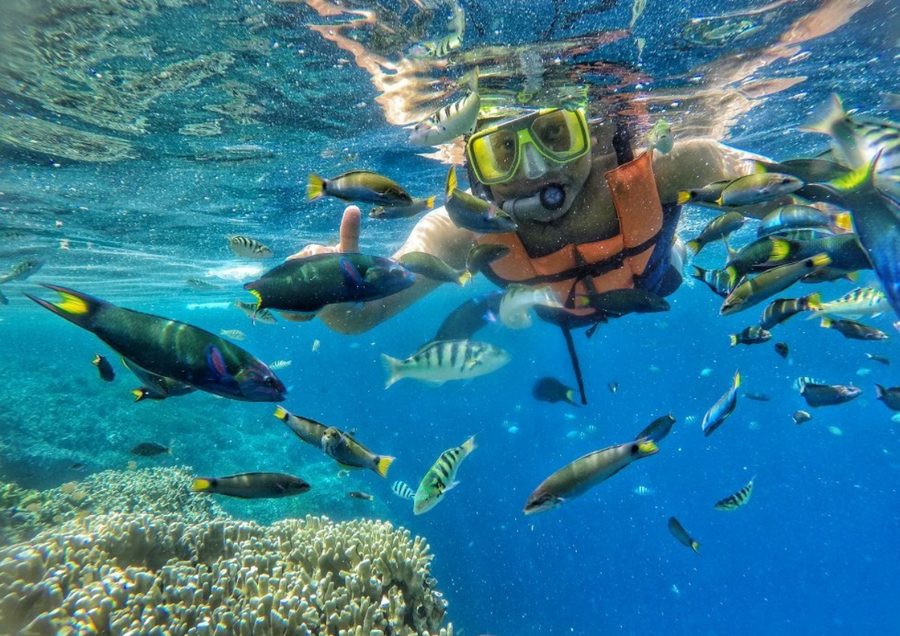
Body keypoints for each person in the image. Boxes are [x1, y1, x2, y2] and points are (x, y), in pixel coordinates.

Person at [293, 106, 766, 336]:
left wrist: (794, 209)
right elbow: (363, 314)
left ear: (592, 130)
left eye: (555, 133)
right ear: (473, 167)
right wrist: (327, 290)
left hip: (655, 281)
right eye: (503, 150)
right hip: (554, 310)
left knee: (675, 262)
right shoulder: (464, 226)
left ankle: (676, 244)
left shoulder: (671, 166)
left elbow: (780, 190)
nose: (537, 169)